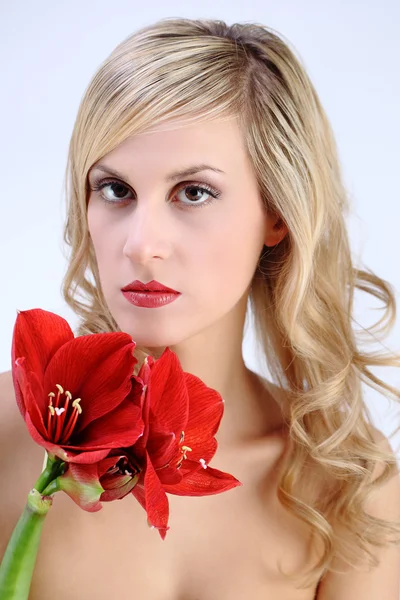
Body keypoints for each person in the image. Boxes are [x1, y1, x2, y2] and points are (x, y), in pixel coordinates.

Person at [1, 16, 400, 600]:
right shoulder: (4, 434)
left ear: (277, 213)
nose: (141, 243)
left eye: (193, 192)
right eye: (115, 190)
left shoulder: (350, 488)